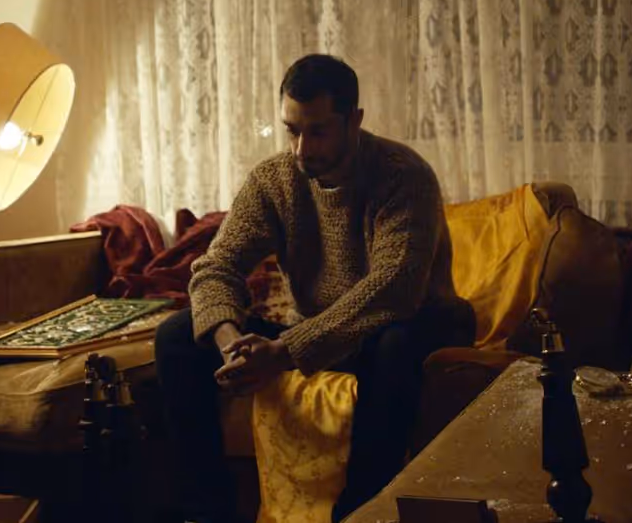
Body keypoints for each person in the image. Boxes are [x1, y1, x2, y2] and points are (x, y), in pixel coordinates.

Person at [154, 54, 476, 523]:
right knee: (176, 336)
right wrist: (232, 346)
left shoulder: (402, 174)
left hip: (412, 323)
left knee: (395, 343)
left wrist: (283, 352)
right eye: (292, 131)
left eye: (318, 131)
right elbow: (215, 267)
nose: (302, 149)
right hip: (316, 333)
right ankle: (208, 513)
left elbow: (394, 289)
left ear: (354, 120)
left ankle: (360, 513)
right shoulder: (275, 179)